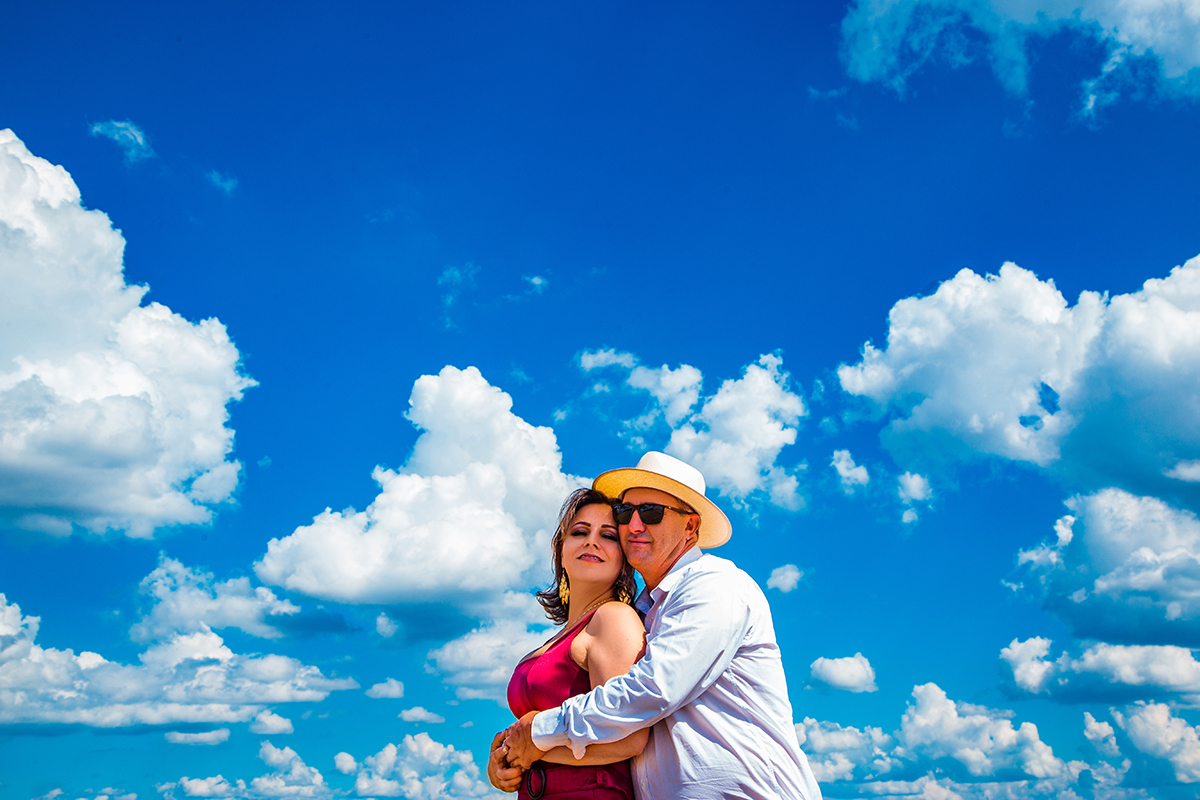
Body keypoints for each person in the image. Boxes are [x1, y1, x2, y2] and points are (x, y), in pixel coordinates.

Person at [502, 452, 823, 800]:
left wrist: (539, 731)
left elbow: (655, 688)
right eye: (626, 513)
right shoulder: (645, 613)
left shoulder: (714, 584)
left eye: (651, 513)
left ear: (690, 527)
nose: (634, 525)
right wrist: (512, 754)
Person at [489, 488, 649, 798]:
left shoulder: (613, 618)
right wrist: (503, 763)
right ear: (561, 550)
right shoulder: (554, 641)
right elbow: (527, 739)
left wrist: (532, 749)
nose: (592, 541)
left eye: (609, 536)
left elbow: (629, 737)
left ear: (624, 559)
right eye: (580, 531)